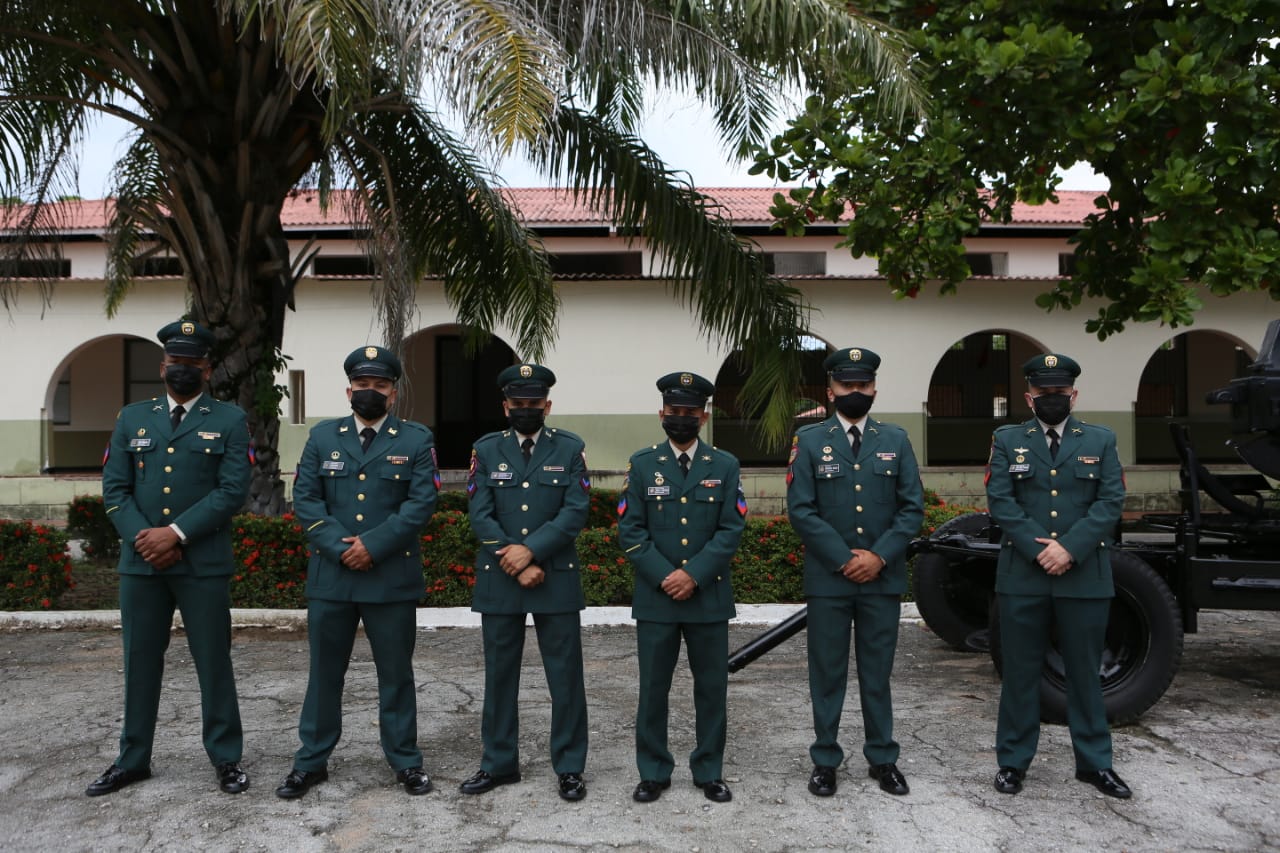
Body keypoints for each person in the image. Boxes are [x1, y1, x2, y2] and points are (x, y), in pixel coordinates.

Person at [88, 320, 252, 797]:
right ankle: (132, 758)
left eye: (193, 363)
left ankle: (226, 758)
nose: (183, 370)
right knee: (139, 661)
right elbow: (115, 489)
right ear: (163, 366)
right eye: (176, 362)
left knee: (213, 661)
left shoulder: (231, 420)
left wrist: (176, 534)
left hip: (202, 563)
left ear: (208, 368)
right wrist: (146, 538)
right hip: (141, 565)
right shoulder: (131, 418)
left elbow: (231, 492)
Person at [276, 346, 439, 799]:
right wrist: (340, 546)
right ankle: (310, 762)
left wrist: (374, 545)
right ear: (349, 390)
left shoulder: (415, 440)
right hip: (333, 576)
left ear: (394, 392)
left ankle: (406, 761)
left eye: (380, 386)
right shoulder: (323, 436)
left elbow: (421, 503)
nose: (371, 393)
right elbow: (305, 499)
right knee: (325, 674)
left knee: (396, 675)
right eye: (363, 385)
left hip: (390, 577)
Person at [985, 353, 1130, 799]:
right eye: (1044, 394)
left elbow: (1110, 502)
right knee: (1021, 673)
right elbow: (1000, 499)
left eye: (1060, 393)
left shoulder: (1101, 440)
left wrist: (1070, 548)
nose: (1053, 399)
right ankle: (1012, 762)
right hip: (1023, 575)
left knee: (1085, 673)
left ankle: (1094, 763)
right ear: (1029, 397)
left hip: (1083, 573)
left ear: (1074, 394)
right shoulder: (1007, 439)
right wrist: (1038, 548)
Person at [786, 347, 924, 798]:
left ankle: (883, 758)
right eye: (847, 385)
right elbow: (802, 511)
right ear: (831, 391)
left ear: (874, 389)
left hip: (881, 579)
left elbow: (911, 510)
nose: (855, 392)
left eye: (863, 385)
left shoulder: (896, 440)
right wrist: (846, 558)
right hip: (830, 580)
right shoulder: (808, 441)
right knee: (826, 672)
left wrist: (878, 557)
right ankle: (825, 759)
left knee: (876, 673)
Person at [460, 363, 591, 802]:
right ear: (505, 405)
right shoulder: (486, 449)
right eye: (518, 404)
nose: (526, 410)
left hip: (554, 575)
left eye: (534, 404)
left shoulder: (570, 449)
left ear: (547, 405)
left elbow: (575, 511)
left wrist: (531, 551)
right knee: (500, 676)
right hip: (501, 576)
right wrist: (515, 560)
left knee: (565, 676)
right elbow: (480, 513)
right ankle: (498, 764)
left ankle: (570, 767)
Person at [617, 372, 747, 804]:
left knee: (711, 690)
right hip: (657, 599)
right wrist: (665, 575)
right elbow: (631, 529)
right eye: (674, 413)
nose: (681, 419)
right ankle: (653, 771)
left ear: (703, 416)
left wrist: (693, 574)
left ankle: (709, 770)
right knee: (653, 689)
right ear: (661, 414)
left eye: (690, 413)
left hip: (708, 597)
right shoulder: (642, 464)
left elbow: (731, 529)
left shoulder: (725, 465)